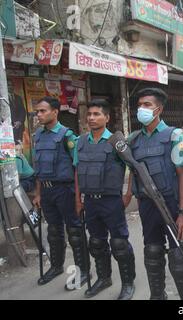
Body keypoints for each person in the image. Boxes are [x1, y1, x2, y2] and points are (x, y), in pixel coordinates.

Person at [123, 88, 183, 300]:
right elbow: (133, 170)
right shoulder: (133, 139)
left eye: (147, 105)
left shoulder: (174, 135)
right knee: (153, 253)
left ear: (159, 109)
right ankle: (157, 295)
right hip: (147, 205)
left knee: (179, 256)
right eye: (139, 105)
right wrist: (128, 193)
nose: (141, 109)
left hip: (171, 203)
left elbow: (182, 175)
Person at [73, 99, 136, 300]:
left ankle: (128, 283)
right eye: (89, 114)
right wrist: (78, 199)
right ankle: (104, 278)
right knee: (97, 242)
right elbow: (76, 172)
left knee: (119, 244)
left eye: (96, 114)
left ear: (107, 118)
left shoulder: (116, 142)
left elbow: (133, 167)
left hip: (111, 201)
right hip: (90, 201)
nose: (91, 118)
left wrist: (128, 194)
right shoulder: (80, 142)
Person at [32, 97, 89, 289]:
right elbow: (38, 167)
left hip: (65, 190)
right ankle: (56, 266)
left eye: (42, 111)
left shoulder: (67, 136)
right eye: (37, 111)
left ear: (55, 112)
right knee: (54, 232)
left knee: (74, 231)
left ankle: (83, 270)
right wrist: (38, 194)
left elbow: (76, 167)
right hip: (46, 192)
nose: (38, 114)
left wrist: (77, 197)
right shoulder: (37, 136)